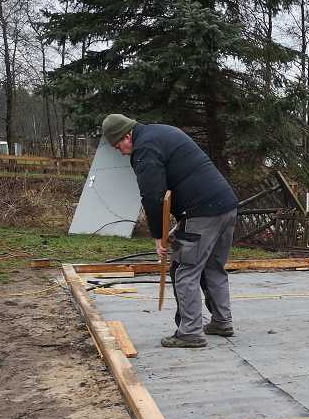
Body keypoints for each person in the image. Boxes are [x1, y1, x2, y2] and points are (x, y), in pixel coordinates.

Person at [101, 114, 239, 348]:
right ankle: (221, 322)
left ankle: (190, 332)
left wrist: (159, 235)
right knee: (213, 266)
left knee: (185, 269)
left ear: (127, 136)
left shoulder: (144, 149)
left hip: (202, 212)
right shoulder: (162, 131)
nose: (121, 152)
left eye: (118, 146)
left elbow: (153, 197)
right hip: (226, 206)